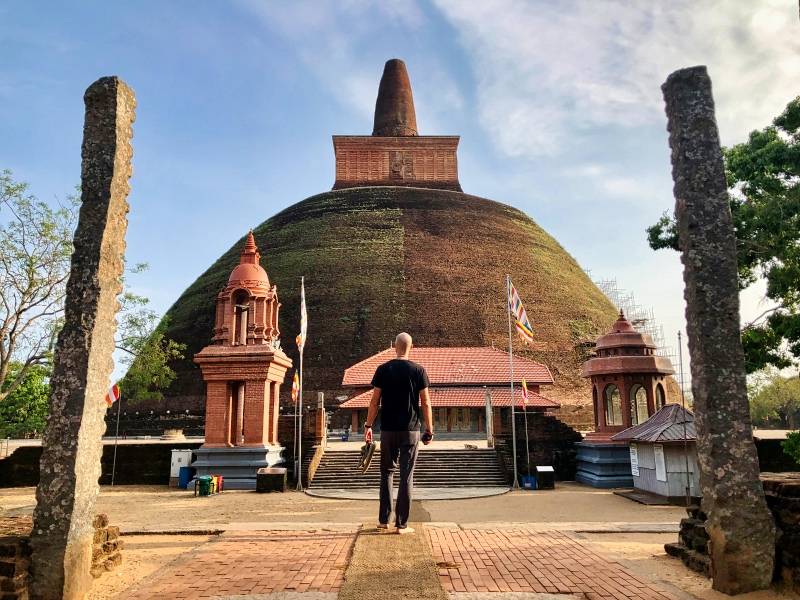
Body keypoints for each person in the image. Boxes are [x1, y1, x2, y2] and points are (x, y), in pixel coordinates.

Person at [364, 332, 433, 534]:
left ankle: (384, 520)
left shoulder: (383, 369)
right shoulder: (418, 370)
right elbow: (426, 402)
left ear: (395, 346)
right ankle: (401, 524)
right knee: (406, 476)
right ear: (411, 347)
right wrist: (429, 429)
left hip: (387, 430)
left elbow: (374, 401)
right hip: (410, 430)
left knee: (386, 473)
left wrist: (368, 425)